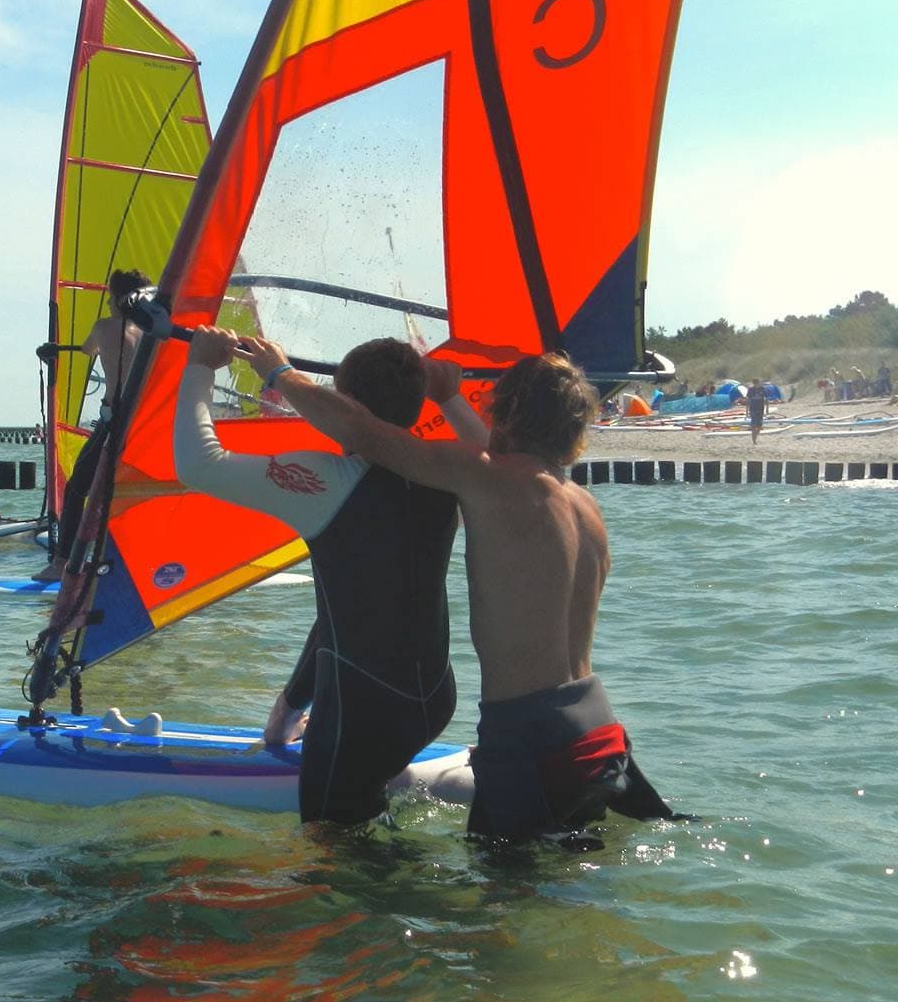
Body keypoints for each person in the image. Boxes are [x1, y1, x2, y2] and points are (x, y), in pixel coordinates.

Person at [239, 338, 679, 846]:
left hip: (528, 737)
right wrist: (448, 397)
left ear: (506, 409)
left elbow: (362, 431)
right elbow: (499, 456)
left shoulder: (486, 476)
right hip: (598, 730)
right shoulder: (581, 505)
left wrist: (279, 373)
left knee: (501, 912)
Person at [175, 327, 488, 824]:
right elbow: (345, 614)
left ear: (343, 406)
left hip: (364, 712)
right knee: (369, 822)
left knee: (333, 863)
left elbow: (197, 463)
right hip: (432, 700)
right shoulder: (446, 472)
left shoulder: (326, 480)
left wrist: (200, 369)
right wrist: (290, 708)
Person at [35, 269, 154, 581]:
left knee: (77, 488)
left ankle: (61, 565)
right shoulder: (153, 332)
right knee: (128, 493)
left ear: (114, 298)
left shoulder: (104, 327)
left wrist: (54, 350)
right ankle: (137, 564)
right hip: (146, 423)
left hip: (114, 421)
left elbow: (89, 349)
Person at [745, 378, 769, 445]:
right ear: (754, 383)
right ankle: (754, 441)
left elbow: (766, 399)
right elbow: (748, 400)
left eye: (757, 383)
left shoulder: (762, 389)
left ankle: (755, 436)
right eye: (755, 383)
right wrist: (746, 411)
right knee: (753, 426)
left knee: (759, 426)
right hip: (753, 409)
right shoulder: (751, 390)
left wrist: (767, 409)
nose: (757, 385)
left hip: (760, 409)